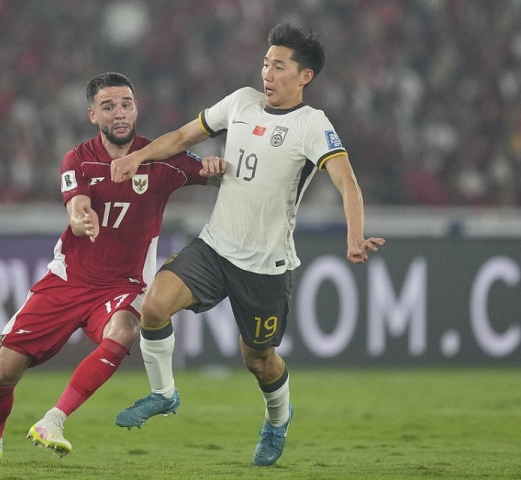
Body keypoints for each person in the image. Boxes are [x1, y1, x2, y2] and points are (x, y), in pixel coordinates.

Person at [110, 24, 386, 467]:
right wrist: (138, 156)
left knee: (258, 359)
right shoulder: (240, 102)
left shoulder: (311, 125)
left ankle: (277, 419)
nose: (267, 74)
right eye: (265, 63)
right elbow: (182, 137)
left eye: (279, 67)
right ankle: (163, 393)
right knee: (155, 305)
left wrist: (354, 235)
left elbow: (346, 181)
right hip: (215, 247)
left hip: (265, 265)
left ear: (305, 76)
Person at [0, 72, 224, 465]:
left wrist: (218, 167)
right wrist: (81, 219)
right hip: (69, 278)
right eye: (108, 106)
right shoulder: (78, 159)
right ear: (93, 115)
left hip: (123, 283)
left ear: (136, 109)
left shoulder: (162, 159)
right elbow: (76, 205)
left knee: (125, 328)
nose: (119, 113)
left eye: (126, 104)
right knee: (2, 374)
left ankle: (53, 420)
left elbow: (221, 176)